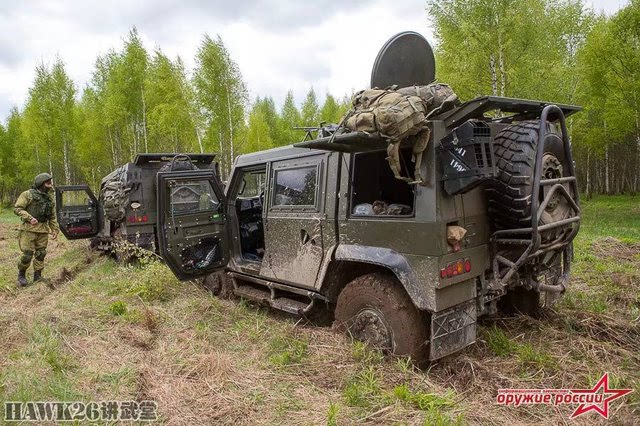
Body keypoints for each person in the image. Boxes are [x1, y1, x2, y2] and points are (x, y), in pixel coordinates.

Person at [14, 173, 59, 287]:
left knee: (41, 254)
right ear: (40, 183)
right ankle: (21, 276)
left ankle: (37, 276)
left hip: (43, 230)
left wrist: (55, 229)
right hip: (29, 230)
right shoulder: (28, 194)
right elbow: (18, 208)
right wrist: (29, 218)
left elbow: (52, 216)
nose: (50, 185)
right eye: (47, 183)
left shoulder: (49, 198)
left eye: (50, 183)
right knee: (27, 255)